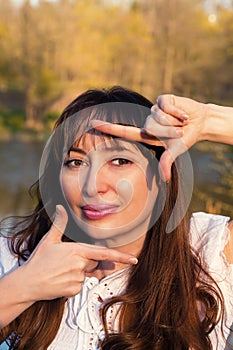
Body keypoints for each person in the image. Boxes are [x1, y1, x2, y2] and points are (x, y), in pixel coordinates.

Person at [0, 86, 232, 350]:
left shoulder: (209, 250)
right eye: (76, 162)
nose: (92, 186)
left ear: (161, 174)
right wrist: (22, 288)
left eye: (120, 161)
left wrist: (211, 122)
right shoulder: (14, 255)